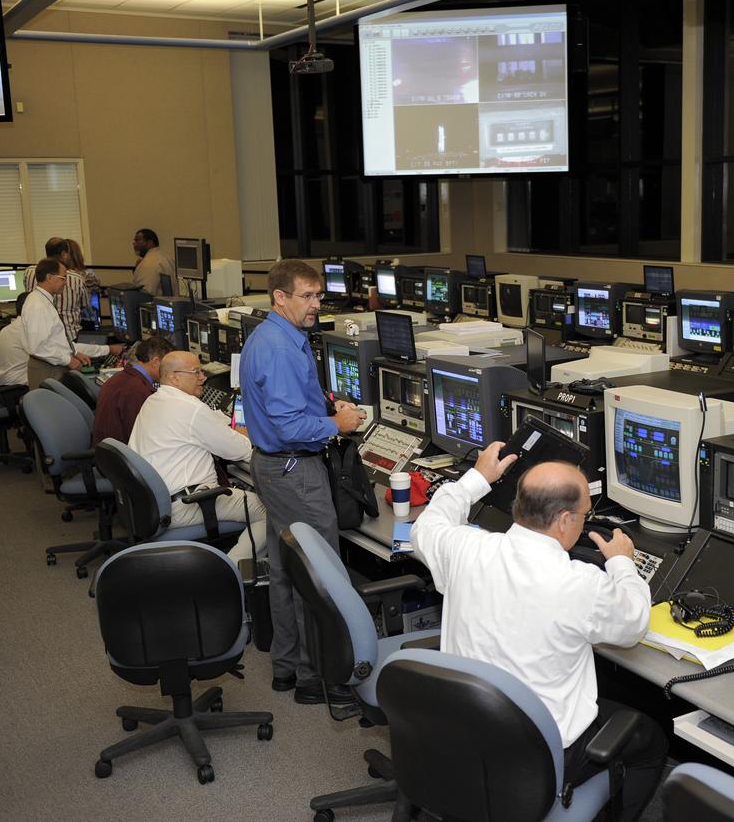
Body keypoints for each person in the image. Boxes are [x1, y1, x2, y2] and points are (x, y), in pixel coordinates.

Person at [411, 447, 666, 821]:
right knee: (651, 738)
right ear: (564, 520)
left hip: (461, 731)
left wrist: (478, 478)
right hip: (537, 756)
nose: (584, 521)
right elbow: (633, 624)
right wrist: (622, 563)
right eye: (585, 514)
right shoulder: (579, 583)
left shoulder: (464, 547)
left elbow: (427, 526)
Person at [240, 259, 365, 703]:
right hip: (295, 468)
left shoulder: (275, 336)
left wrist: (326, 404)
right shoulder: (279, 347)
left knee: (285, 570)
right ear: (280, 297)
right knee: (320, 575)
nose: (316, 305)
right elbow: (292, 426)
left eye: (318, 296)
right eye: (307, 297)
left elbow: (290, 405)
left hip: (274, 467)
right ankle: (318, 678)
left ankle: (287, 668)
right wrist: (339, 423)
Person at [128, 351, 265, 563]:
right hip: (187, 504)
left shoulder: (153, 401)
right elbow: (240, 451)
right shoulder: (191, 408)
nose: (203, 377)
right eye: (196, 372)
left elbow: (194, 429)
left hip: (154, 503)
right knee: (271, 509)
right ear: (174, 377)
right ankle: (232, 572)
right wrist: (247, 436)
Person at [15, 259, 121, 389]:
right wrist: (69, 360)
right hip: (47, 369)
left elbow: (54, 341)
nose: (65, 282)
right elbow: (38, 347)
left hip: (51, 366)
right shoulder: (38, 305)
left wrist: (73, 353)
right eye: (63, 278)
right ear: (49, 277)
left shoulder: (42, 300)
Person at [91, 336, 172, 446]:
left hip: (110, 451)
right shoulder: (137, 390)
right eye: (169, 365)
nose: (171, 372)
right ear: (156, 362)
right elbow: (144, 438)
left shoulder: (123, 378)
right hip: (121, 457)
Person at [25, 238, 89, 342]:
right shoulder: (76, 278)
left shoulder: (29, 272)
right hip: (70, 337)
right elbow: (85, 306)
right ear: (64, 254)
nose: (64, 282)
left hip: (40, 336)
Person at [64, 238, 102, 329]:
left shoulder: (57, 276)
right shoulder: (89, 275)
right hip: (86, 320)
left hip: (66, 322)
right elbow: (96, 295)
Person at [131, 228, 175, 296]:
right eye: (134, 241)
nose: (134, 244)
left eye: (138, 240)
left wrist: (140, 269)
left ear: (150, 242)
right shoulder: (166, 257)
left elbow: (145, 295)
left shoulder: (148, 263)